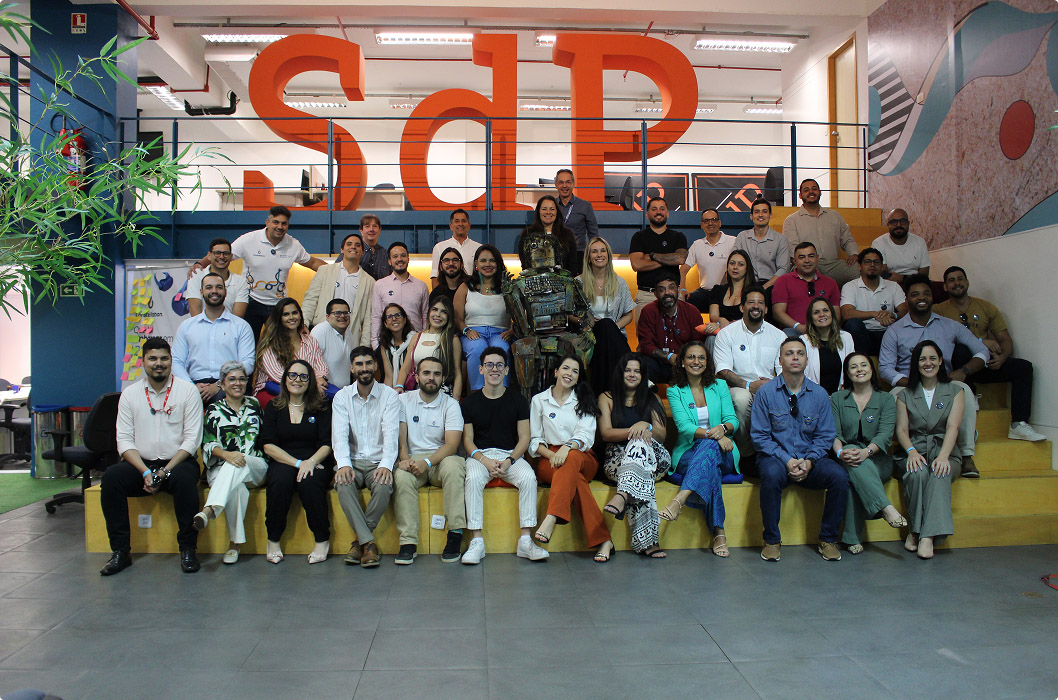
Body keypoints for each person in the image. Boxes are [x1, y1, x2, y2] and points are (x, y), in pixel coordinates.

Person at [99, 338, 204, 576]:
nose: (159, 364)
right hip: (140, 466)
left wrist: (164, 471)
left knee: (186, 481)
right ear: (143, 362)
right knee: (112, 477)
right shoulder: (130, 394)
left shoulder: (187, 392)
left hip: (177, 463)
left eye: (164, 359)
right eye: (153, 359)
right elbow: (124, 440)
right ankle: (120, 552)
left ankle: (188, 549)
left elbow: (191, 440)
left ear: (171, 361)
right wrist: (146, 472)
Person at [750, 337, 850, 562]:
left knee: (839, 477)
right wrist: (787, 460)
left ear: (806, 360)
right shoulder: (766, 393)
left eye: (800, 353)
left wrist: (810, 461)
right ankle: (772, 540)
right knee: (771, 474)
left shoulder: (820, 394)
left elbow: (825, 436)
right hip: (777, 458)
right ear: (780, 360)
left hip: (811, 460)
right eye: (789, 353)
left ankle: (828, 539)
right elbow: (760, 437)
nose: (795, 357)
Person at [879, 275, 988, 477]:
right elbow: (885, 368)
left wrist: (963, 372)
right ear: (907, 299)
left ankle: (966, 456)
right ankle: (896, 453)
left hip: (943, 384)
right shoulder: (895, 331)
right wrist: (913, 383)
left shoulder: (950, 325)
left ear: (932, 297)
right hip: (908, 385)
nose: (921, 298)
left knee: (964, 390)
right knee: (892, 397)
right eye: (915, 294)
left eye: (926, 293)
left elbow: (982, 352)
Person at [934, 266, 1045, 442]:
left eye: (960, 278)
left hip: (984, 363)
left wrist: (1003, 357)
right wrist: (980, 342)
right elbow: (941, 341)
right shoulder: (938, 311)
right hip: (956, 366)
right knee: (960, 349)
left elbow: (1005, 339)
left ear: (967, 282)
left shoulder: (986, 307)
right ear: (945, 287)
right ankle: (969, 395)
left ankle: (1019, 424)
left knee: (1024, 367)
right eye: (952, 280)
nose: (957, 283)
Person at [461, 347, 550, 564]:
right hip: (480, 456)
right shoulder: (470, 402)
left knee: (529, 478)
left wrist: (509, 461)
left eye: (499, 365)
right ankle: (477, 541)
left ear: (507, 369)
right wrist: (485, 460)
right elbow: (468, 441)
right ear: (481, 369)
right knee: (472, 479)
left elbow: (524, 437)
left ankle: (526, 541)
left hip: (511, 455)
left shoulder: (517, 400)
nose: (494, 369)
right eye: (489, 365)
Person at [192, 206, 326, 340]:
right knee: (249, 341)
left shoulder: (293, 244)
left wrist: (336, 269)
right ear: (267, 223)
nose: (280, 226)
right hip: (251, 301)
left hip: (278, 304)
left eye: (284, 223)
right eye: (276, 222)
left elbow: (313, 263)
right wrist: (200, 264)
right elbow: (223, 255)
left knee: (280, 344)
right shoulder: (248, 240)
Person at [530, 355, 614, 562]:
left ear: (578, 378)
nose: (569, 374)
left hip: (582, 456)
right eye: (565, 368)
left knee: (572, 459)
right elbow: (535, 439)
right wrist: (552, 454)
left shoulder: (584, 400)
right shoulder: (538, 400)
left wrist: (566, 449)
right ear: (556, 372)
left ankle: (551, 517)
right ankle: (604, 540)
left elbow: (585, 436)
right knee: (574, 480)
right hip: (548, 459)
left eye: (575, 371)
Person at [662, 342, 738, 557]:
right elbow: (684, 427)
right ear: (683, 362)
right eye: (691, 357)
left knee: (710, 451)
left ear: (707, 362)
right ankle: (719, 533)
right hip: (689, 452)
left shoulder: (720, 386)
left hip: (725, 450)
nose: (696, 362)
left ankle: (679, 500)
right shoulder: (675, 391)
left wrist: (722, 430)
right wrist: (714, 437)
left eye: (701, 357)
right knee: (710, 467)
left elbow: (732, 420)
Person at [392, 356, 467, 565]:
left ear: (443, 378)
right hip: (413, 460)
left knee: (455, 467)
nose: (431, 378)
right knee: (401, 475)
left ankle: (455, 534)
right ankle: (408, 543)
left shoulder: (451, 404)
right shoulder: (402, 401)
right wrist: (405, 460)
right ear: (416, 376)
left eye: (436, 374)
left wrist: (427, 462)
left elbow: (452, 445)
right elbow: (401, 439)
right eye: (426, 373)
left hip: (441, 459)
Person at [193, 361, 269, 564]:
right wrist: (227, 455)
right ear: (222, 384)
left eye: (242, 379)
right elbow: (208, 445)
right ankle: (234, 545)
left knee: (240, 462)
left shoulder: (255, 406)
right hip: (222, 468)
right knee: (237, 487)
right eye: (232, 379)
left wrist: (236, 457)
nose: (238, 383)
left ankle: (209, 509)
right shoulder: (213, 410)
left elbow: (264, 439)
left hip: (255, 466)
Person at [894, 340, 965, 559]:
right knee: (917, 474)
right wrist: (912, 452)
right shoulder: (905, 394)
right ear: (916, 364)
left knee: (939, 475)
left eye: (933, 358)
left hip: (945, 451)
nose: (928, 363)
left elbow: (953, 427)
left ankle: (927, 537)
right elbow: (902, 430)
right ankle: (913, 531)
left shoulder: (955, 391)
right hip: (915, 451)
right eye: (922, 359)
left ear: (941, 361)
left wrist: (943, 456)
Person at [830, 353, 906, 555]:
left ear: (872, 371)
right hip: (845, 456)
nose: (859, 369)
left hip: (878, 458)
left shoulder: (886, 399)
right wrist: (840, 454)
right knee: (851, 464)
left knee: (855, 471)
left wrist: (866, 452)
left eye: (864, 365)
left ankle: (852, 537)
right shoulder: (837, 398)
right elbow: (834, 434)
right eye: (853, 367)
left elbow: (884, 435)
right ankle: (885, 508)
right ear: (847, 373)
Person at [332, 346, 399, 569]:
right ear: (352, 368)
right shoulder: (341, 397)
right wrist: (342, 464)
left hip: (378, 461)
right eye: (359, 364)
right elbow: (339, 436)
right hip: (352, 460)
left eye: (368, 363)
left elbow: (391, 435)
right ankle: (368, 544)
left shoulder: (389, 396)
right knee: (342, 483)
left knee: (383, 484)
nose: (364, 368)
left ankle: (358, 543)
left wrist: (387, 465)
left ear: (376, 366)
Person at [597, 353, 670, 558]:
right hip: (617, 460)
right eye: (627, 370)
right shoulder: (607, 398)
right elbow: (606, 433)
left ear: (643, 375)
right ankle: (650, 542)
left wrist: (645, 426)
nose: (632, 374)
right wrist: (636, 429)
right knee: (639, 474)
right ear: (620, 373)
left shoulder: (652, 397)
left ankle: (621, 496)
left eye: (637, 371)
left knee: (640, 448)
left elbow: (662, 435)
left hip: (655, 458)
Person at [261, 359, 334, 565]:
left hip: (316, 459)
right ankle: (273, 540)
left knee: (309, 482)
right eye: (292, 375)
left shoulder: (321, 407)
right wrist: (297, 463)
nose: (297, 380)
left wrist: (309, 462)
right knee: (279, 482)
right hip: (284, 460)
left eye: (303, 376)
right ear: (285, 379)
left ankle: (322, 539)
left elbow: (327, 444)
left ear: (310, 381)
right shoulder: (274, 407)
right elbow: (268, 445)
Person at [713, 285, 785, 459]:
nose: (756, 306)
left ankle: (777, 452)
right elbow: (722, 370)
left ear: (766, 309)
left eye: (760, 303)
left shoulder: (779, 335)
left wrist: (769, 385)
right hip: (737, 386)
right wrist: (748, 385)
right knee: (742, 398)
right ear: (742, 307)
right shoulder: (727, 334)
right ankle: (747, 454)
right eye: (751, 302)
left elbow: (784, 370)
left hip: (770, 386)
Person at [171, 272, 255, 404]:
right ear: (201, 292)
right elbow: (176, 361)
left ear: (226, 292)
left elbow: (248, 363)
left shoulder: (241, 326)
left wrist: (218, 385)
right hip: (193, 385)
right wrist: (191, 386)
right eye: (209, 287)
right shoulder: (187, 326)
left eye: (219, 287)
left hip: (229, 386)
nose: (214, 291)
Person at [576, 236, 635, 394]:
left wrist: (612, 328)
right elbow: (568, 314)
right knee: (605, 326)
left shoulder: (619, 282)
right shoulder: (578, 283)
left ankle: (602, 394)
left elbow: (629, 315)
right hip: (587, 335)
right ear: (588, 257)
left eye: (603, 251)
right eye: (594, 252)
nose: (599, 254)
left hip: (613, 335)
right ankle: (635, 372)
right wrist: (585, 322)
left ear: (608, 255)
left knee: (607, 325)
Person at [454, 245, 513, 390]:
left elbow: (520, 315)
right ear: (476, 264)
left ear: (498, 264)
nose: (487, 264)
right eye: (483, 261)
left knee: (501, 349)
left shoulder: (508, 287)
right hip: (473, 332)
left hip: (500, 333)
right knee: (477, 348)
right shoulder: (465, 287)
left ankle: (501, 391)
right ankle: (478, 392)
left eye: (492, 261)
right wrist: (467, 330)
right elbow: (456, 318)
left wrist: (512, 330)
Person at [302, 232, 374, 348]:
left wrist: (364, 346)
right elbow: (311, 299)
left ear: (361, 252)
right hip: (322, 334)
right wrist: (304, 323)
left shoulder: (370, 282)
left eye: (357, 245)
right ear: (342, 249)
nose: (353, 247)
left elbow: (368, 318)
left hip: (350, 338)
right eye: (349, 244)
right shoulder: (324, 271)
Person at [781, 178, 859, 286]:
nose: (811, 192)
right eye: (806, 190)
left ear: (820, 192)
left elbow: (847, 239)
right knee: (811, 273)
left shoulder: (835, 216)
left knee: (859, 269)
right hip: (808, 265)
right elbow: (792, 249)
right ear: (800, 195)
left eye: (814, 189)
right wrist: (809, 262)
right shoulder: (792, 220)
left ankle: (850, 300)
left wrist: (854, 254)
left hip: (834, 265)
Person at [253, 297, 329, 401]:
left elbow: (321, 366)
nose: (291, 317)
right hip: (272, 390)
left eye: (294, 313)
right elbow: (278, 375)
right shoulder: (270, 343)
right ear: (279, 318)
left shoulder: (311, 341)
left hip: (305, 388)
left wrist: (320, 378)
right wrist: (311, 385)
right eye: (286, 314)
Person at [628, 196, 689, 325]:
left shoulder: (678, 237)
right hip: (646, 295)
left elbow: (680, 258)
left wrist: (651, 255)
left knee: (678, 339)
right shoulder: (639, 237)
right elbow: (637, 264)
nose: (658, 212)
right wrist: (669, 259)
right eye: (654, 209)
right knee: (645, 341)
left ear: (667, 213)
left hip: (673, 294)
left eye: (662, 209)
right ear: (647, 214)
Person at [636, 273, 706, 383]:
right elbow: (646, 344)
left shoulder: (691, 311)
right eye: (662, 289)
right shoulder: (648, 311)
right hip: (657, 361)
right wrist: (668, 356)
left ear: (678, 290)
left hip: (685, 362)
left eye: (671, 288)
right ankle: (650, 398)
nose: (667, 293)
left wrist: (683, 359)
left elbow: (698, 343)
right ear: (655, 294)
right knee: (644, 364)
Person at [839, 247, 905, 355]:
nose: (872, 265)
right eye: (868, 262)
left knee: (903, 325)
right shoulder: (850, 286)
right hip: (863, 334)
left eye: (876, 262)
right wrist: (875, 314)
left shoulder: (893, 286)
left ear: (881, 266)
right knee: (853, 323)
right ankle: (861, 362)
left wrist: (893, 316)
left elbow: (905, 310)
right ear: (859, 266)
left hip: (887, 332)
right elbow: (847, 314)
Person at [396, 296, 463, 398]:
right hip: (416, 392)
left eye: (444, 312)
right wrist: (399, 386)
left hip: (442, 394)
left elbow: (458, 373)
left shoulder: (453, 340)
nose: (438, 315)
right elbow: (405, 368)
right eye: (434, 310)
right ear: (428, 313)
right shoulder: (416, 337)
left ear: (449, 316)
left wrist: (456, 400)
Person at [772, 242, 841, 337]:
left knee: (843, 335)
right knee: (788, 334)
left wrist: (822, 328)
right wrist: (799, 327)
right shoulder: (783, 281)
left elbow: (836, 313)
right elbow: (778, 313)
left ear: (817, 258)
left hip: (824, 329)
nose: (807, 260)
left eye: (811, 256)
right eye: (802, 257)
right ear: (795, 261)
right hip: (795, 331)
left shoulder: (830, 283)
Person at [370, 241, 429, 348]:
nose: (400, 259)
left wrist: (424, 339)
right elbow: (376, 316)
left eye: (403, 256)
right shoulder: (380, 285)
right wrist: (375, 343)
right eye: (395, 256)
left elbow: (425, 316)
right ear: (389, 261)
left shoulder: (421, 286)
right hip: (388, 342)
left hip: (415, 341)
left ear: (408, 259)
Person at [681, 208, 736, 308]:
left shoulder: (733, 242)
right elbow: (683, 270)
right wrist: (682, 289)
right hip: (704, 292)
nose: (710, 223)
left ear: (719, 223)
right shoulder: (697, 244)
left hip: (726, 292)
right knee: (682, 301)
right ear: (702, 225)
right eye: (706, 221)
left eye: (714, 220)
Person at [800, 297, 853, 393]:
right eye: (816, 312)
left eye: (825, 310)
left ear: (832, 314)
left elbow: (851, 368)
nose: (822, 314)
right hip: (813, 397)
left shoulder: (846, 337)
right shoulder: (803, 341)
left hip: (840, 398)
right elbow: (801, 375)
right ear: (811, 319)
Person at [735, 197, 789, 289]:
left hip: (771, 285)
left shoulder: (781, 239)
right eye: (757, 212)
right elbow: (735, 262)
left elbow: (783, 269)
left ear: (770, 215)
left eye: (764, 211)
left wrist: (764, 287)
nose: (760, 215)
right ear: (751, 216)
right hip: (746, 285)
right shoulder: (742, 237)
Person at [705, 250, 758, 343]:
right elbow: (713, 316)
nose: (735, 267)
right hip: (722, 332)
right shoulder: (718, 289)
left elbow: (754, 318)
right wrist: (720, 320)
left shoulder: (754, 291)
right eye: (732, 263)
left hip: (745, 333)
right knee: (711, 339)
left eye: (740, 264)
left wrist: (729, 325)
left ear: (747, 269)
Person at [186, 238, 248, 317]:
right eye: (217, 253)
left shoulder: (241, 281)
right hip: (201, 328)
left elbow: (237, 318)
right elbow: (195, 315)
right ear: (209, 256)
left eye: (225, 253)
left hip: (229, 328)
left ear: (231, 257)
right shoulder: (196, 275)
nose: (222, 257)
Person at [516, 195, 579, 273]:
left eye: (552, 209)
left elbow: (572, 265)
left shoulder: (567, 234)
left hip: (561, 283)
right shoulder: (527, 234)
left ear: (557, 211)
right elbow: (525, 263)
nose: (548, 212)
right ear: (538, 211)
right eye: (544, 209)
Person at [871, 208, 930, 285]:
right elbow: (883, 274)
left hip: (915, 285)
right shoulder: (878, 243)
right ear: (888, 225)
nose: (898, 225)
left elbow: (924, 275)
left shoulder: (920, 242)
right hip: (889, 285)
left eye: (902, 221)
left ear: (908, 223)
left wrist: (903, 278)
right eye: (893, 222)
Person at [555, 168, 599, 268]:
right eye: (561, 182)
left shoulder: (585, 206)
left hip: (578, 255)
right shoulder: (551, 206)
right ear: (556, 185)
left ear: (573, 184)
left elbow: (594, 234)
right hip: (555, 254)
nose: (564, 186)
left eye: (568, 182)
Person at [310, 299, 354, 390]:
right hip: (325, 392)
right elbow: (310, 362)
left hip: (344, 393)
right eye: (337, 313)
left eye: (346, 313)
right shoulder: (320, 331)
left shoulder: (348, 332)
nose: (342, 316)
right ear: (327, 316)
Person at [430, 209, 480, 283]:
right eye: (457, 221)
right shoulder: (439, 247)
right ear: (451, 226)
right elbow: (435, 275)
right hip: (447, 292)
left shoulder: (478, 248)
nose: (460, 224)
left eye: (463, 221)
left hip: (472, 291)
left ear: (469, 225)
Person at [377, 303, 413, 389]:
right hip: (395, 391)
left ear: (404, 320)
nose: (394, 319)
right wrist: (388, 396)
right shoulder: (385, 346)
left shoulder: (414, 339)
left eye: (398, 315)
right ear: (385, 323)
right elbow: (389, 376)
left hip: (413, 390)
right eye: (389, 317)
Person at [358, 214, 392, 280]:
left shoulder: (386, 254)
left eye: (375, 226)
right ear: (361, 230)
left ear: (379, 230)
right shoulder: (353, 252)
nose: (371, 229)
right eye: (367, 226)